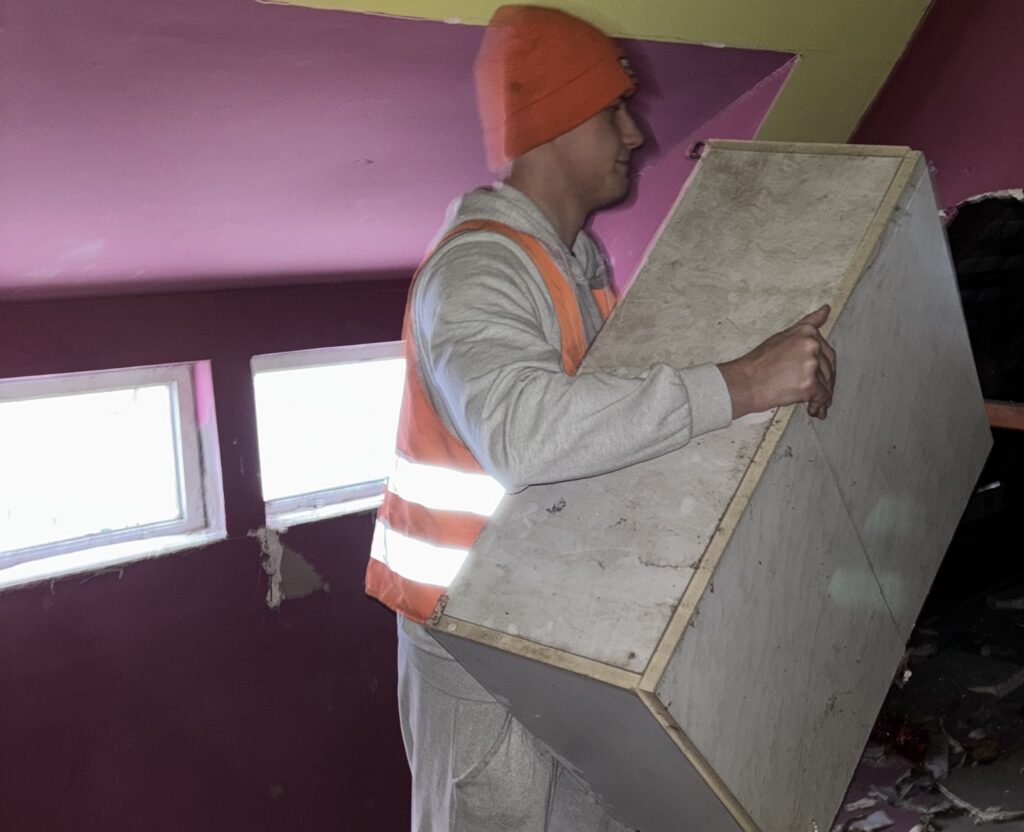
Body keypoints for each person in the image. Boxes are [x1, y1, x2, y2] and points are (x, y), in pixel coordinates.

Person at [365, 5, 836, 830]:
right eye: (612, 111)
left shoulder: (571, 266)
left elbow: (604, 426)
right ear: (554, 124)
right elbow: (526, 434)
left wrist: (755, 382)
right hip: (470, 636)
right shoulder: (478, 270)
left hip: (542, 619)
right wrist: (741, 383)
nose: (635, 135)